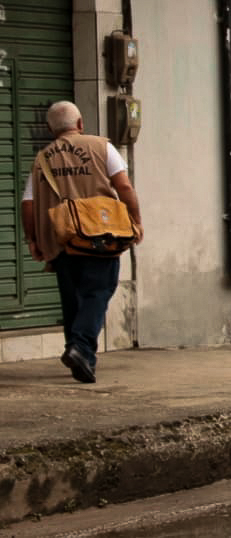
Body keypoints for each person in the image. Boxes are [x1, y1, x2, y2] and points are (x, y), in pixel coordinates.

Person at [20, 101, 143, 384]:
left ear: (51, 129)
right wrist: (136, 220)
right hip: (102, 233)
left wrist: (33, 240)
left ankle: (80, 355)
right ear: (80, 123)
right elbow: (123, 186)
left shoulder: (42, 158)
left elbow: (28, 202)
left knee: (72, 297)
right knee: (98, 291)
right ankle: (81, 348)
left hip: (61, 238)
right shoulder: (102, 147)